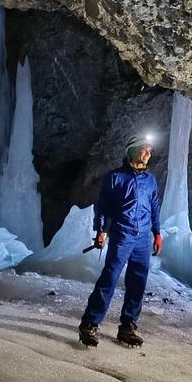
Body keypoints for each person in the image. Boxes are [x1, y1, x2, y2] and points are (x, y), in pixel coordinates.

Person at [78, 135, 163, 347]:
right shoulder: (115, 177)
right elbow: (104, 207)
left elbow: (154, 206)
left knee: (138, 282)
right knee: (110, 277)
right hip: (122, 233)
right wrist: (101, 231)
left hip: (143, 236)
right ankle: (89, 324)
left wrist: (157, 232)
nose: (148, 154)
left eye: (150, 151)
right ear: (132, 151)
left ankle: (128, 326)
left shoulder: (151, 180)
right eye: (144, 149)